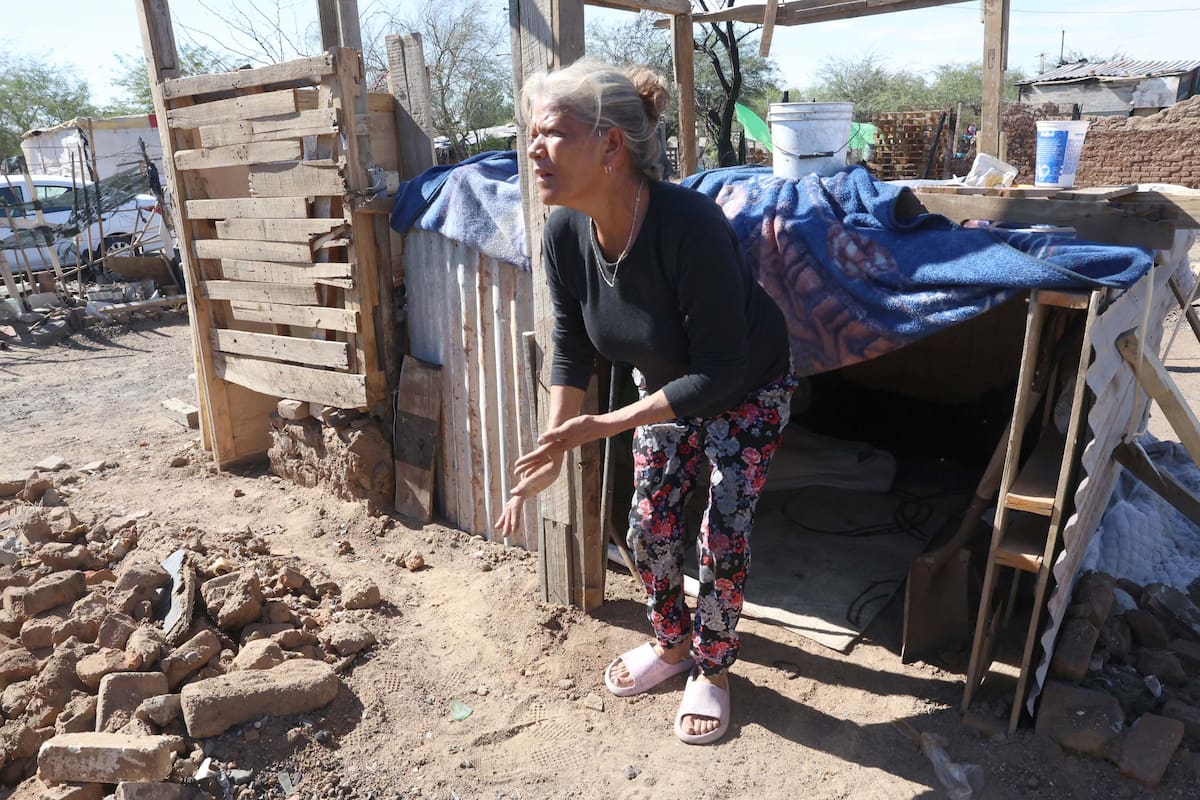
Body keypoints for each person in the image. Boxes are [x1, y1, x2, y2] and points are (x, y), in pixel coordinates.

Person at [493, 59, 795, 745]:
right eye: (530, 135)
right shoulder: (564, 231)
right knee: (648, 526)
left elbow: (719, 371)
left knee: (722, 535)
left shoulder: (689, 225)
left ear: (609, 146)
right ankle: (671, 643)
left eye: (552, 134)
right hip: (660, 385)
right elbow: (572, 350)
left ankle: (713, 671)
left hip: (745, 384)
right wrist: (553, 445)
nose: (533, 150)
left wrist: (606, 424)